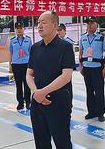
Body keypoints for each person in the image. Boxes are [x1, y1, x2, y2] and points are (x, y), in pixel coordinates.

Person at [26, 11, 75, 149]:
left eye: (44, 22)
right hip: (37, 102)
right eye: (38, 22)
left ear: (54, 25)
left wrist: (43, 92)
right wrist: (36, 93)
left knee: (62, 142)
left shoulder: (65, 47)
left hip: (58, 102)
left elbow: (66, 76)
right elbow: (29, 74)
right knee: (41, 142)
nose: (39, 26)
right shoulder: (35, 48)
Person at [79, 16, 105, 122]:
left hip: (97, 68)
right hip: (87, 68)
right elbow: (81, 51)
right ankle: (91, 112)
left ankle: (100, 113)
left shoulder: (102, 37)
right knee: (89, 91)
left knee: (99, 91)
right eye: (88, 23)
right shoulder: (82, 37)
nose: (89, 25)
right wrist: (81, 65)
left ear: (96, 24)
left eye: (92, 23)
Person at [9, 21, 32, 110]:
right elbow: (11, 53)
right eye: (17, 28)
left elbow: (31, 52)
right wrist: (10, 65)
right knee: (18, 85)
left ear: (24, 29)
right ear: (15, 30)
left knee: (27, 84)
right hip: (16, 65)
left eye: (21, 28)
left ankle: (28, 102)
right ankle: (20, 102)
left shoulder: (28, 40)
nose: (19, 30)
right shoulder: (12, 41)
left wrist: (32, 65)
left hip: (26, 64)